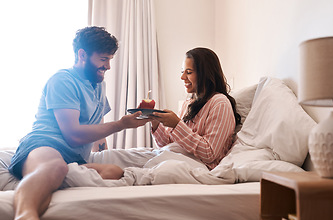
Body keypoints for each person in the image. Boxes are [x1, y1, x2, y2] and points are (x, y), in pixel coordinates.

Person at [5, 26, 149, 220]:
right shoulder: (63, 81)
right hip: (43, 144)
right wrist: (121, 124)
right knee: (55, 165)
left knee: (114, 171)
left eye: (110, 59)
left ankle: (48, 178)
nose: (108, 66)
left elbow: (97, 126)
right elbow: (73, 134)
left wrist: (102, 148)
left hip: (74, 158)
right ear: (82, 55)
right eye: (103, 59)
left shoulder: (98, 84)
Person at [85, 47, 241, 179]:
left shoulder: (219, 103)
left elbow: (209, 154)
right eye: (182, 72)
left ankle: (84, 176)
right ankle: (79, 167)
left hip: (197, 165)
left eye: (188, 72)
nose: (182, 77)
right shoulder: (189, 103)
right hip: (171, 153)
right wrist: (155, 122)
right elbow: (168, 144)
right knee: (111, 156)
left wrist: (177, 124)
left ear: (205, 73)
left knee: (126, 167)